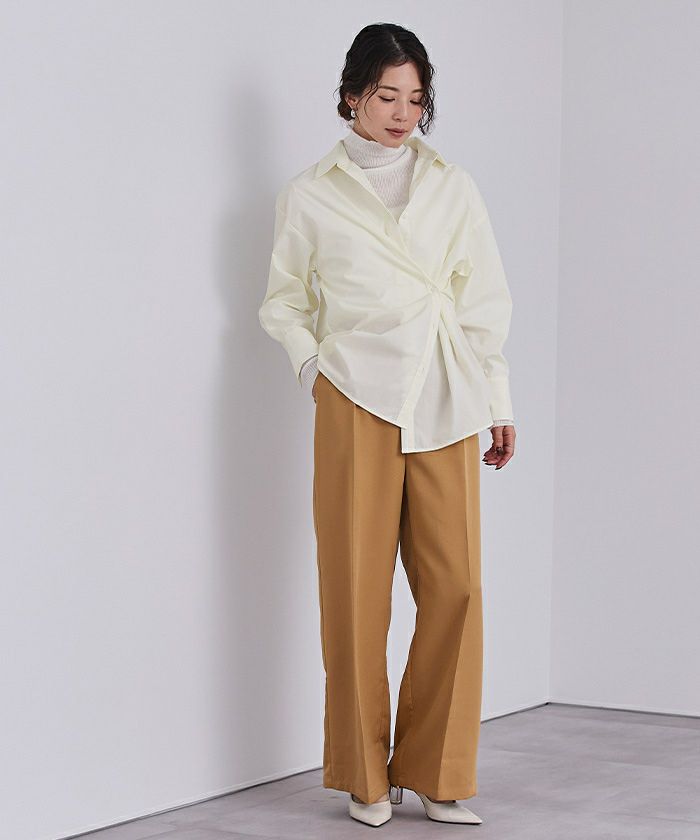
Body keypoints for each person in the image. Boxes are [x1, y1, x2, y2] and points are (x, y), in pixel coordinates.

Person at [258, 22, 516, 828]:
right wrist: (315, 369)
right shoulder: (311, 193)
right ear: (351, 98)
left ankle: (438, 772)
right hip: (356, 394)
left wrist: (498, 398)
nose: (403, 113)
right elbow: (283, 301)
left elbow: (483, 299)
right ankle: (364, 777)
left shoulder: (452, 186)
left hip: (445, 392)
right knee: (356, 591)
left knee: (457, 588)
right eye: (386, 97)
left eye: (415, 98)